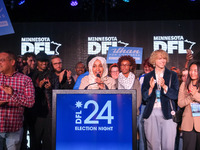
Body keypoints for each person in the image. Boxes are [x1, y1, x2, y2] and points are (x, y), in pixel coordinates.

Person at [142, 49, 179, 150]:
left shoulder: (172, 75)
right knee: (153, 146)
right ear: (154, 61)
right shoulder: (148, 76)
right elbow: (144, 98)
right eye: (159, 58)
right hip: (151, 112)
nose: (163, 61)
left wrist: (164, 86)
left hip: (168, 113)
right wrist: (150, 88)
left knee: (169, 145)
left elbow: (176, 95)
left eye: (164, 58)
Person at [0, 51, 35, 150]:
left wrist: (13, 94)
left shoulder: (25, 80)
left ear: (12, 62)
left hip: (14, 130)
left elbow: (30, 102)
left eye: (2, 60)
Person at [31, 51, 59, 150]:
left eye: (46, 61)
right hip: (35, 113)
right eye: (41, 61)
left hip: (49, 112)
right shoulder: (32, 75)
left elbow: (58, 91)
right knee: (35, 140)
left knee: (48, 140)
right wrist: (37, 87)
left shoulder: (52, 75)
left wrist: (50, 88)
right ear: (37, 62)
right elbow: (28, 93)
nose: (44, 63)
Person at [178, 61, 200, 150]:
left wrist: (194, 94)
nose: (192, 73)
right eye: (191, 70)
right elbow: (180, 103)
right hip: (188, 123)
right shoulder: (184, 85)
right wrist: (190, 98)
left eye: (195, 70)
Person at [138, 57, 153, 150]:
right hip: (143, 106)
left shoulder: (158, 76)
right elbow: (140, 94)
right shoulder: (142, 77)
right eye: (145, 67)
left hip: (155, 107)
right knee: (141, 127)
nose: (147, 68)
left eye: (149, 67)